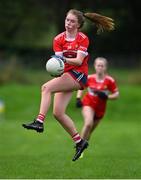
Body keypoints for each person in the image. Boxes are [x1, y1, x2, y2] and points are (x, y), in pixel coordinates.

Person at [22, 9, 115, 161]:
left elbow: (78, 61)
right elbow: (58, 64)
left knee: (46, 88)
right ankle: (79, 142)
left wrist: (63, 61)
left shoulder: (83, 39)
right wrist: (55, 69)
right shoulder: (58, 39)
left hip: (79, 76)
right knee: (58, 113)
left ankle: (39, 121)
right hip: (66, 75)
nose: (68, 23)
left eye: (72, 21)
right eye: (67, 20)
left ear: (78, 25)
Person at [76, 57, 119, 148]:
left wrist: (107, 96)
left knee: (90, 130)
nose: (100, 67)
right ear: (95, 66)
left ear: (105, 67)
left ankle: (83, 146)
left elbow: (116, 94)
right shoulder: (89, 77)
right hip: (88, 103)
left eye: (102, 66)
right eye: (98, 65)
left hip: (100, 108)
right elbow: (81, 87)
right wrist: (78, 98)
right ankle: (79, 146)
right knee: (88, 124)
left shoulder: (110, 80)